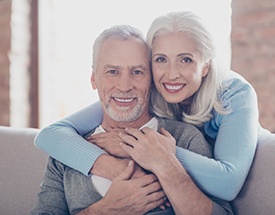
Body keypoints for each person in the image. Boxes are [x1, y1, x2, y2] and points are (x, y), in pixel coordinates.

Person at [34, 11, 263, 202]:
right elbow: (50, 134)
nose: (172, 75)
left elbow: (228, 183)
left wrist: (142, 149)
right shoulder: (145, 89)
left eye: (185, 59)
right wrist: (110, 166)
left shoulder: (234, 94)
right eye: (161, 59)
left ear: (205, 66)